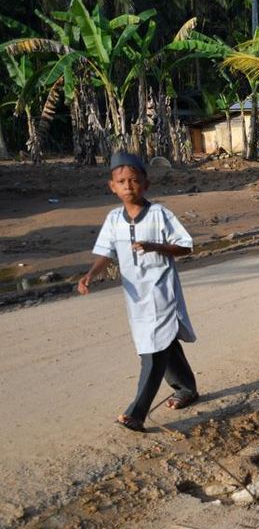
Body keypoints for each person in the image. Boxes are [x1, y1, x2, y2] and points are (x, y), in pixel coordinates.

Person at [77, 152, 199, 433]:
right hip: (136, 297)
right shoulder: (113, 219)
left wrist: (156, 246)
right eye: (121, 181)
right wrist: (90, 275)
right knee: (162, 341)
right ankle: (186, 388)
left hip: (161, 291)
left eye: (133, 180)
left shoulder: (159, 214)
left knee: (152, 349)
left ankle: (137, 413)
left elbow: (186, 246)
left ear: (146, 183)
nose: (128, 186)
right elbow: (106, 253)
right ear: (112, 186)